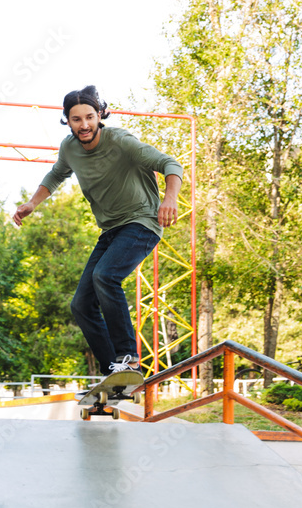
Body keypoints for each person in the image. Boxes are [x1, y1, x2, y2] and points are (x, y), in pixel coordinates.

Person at [12, 85, 183, 375]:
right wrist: (32, 202)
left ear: (100, 114)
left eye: (89, 117)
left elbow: (170, 163)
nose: (84, 125)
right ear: (67, 120)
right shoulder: (69, 148)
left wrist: (169, 199)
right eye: (76, 119)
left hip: (142, 222)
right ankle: (113, 373)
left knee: (106, 276)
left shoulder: (121, 141)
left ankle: (128, 357)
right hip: (112, 230)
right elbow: (56, 174)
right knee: (81, 304)